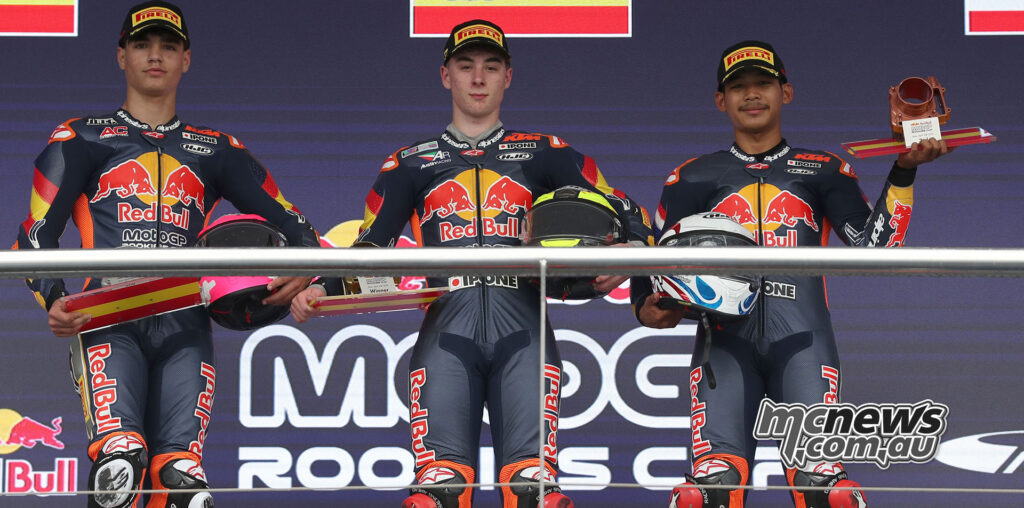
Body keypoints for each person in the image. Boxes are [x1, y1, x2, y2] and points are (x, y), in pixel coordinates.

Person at [290, 19, 651, 508]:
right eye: (466, 66)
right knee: (437, 491)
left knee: (533, 490)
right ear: (446, 76)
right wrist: (324, 290)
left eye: (490, 66)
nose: (478, 78)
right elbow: (370, 250)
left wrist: (632, 250)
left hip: (525, 333)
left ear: (508, 77)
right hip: (446, 337)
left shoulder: (547, 152)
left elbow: (623, 208)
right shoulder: (409, 165)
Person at [14, 2, 320, 506]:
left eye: (168, 46)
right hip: (107, 316)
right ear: (121, 56)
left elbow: (294, 224)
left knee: (182, 479)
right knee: (119, 462)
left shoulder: (216, 148)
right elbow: (34, 234)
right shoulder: (81, 136)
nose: (155, 55)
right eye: (142, 44)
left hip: (186, 323)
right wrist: (51, 296)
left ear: (186, 59)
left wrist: (298, 270)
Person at [630, 40, 950, 508]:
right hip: (723, 348)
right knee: (709, 493)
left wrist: (903, 171)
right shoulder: (690, 178)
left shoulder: (824, 169)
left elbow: (875, 245)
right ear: (722, 101)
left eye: (764, 83)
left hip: (803, 342)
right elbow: (656, 265)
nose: (752, 94)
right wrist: (649, 306)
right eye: (738, 87)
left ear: (787, 92)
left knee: (826, 491)